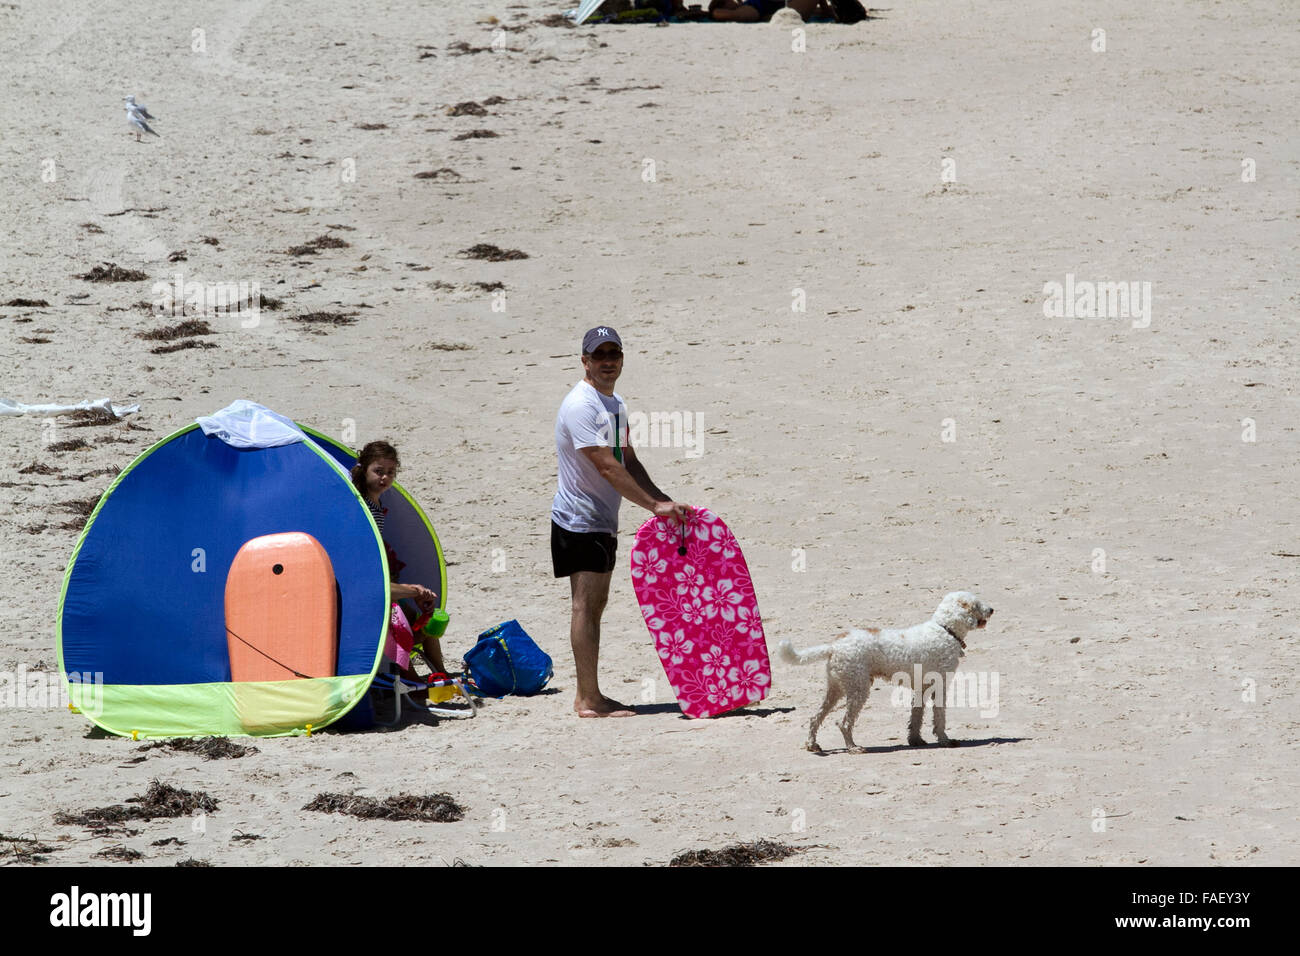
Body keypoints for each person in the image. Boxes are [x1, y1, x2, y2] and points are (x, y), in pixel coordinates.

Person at [552, 327, 691, 717]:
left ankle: (589, 695)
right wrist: (651, 506)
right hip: (579, 520)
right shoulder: (581, 405)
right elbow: (607, 466)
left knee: (595, 604)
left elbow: (627, 459)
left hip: (600, 519)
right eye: (599, 355)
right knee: (585, 606)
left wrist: (662, 501)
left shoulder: (614, 403)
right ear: (585, 361)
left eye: (614, 353)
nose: (608, 361)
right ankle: (587, 699)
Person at [351, 440, 445, 675]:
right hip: (370, 585)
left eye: (390, 472)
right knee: (401, 623)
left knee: (426, 620)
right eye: (378, 471)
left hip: (383, 579)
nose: (385, 478)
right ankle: (410, 680)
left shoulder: (376, 501)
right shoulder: (361, 503)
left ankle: (440, 672)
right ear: (364, 469)